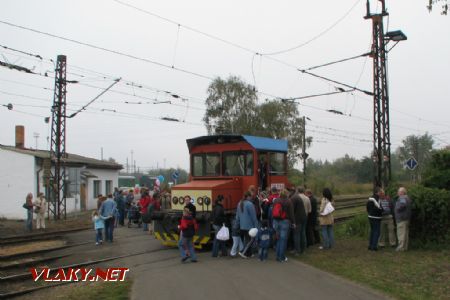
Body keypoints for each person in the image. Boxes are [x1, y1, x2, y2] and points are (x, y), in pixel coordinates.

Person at [272, 189, 295, 262]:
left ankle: (277, 256)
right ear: (286, 194)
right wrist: (293, 222)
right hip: (285, 221)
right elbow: (291, 213)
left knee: (278, 239)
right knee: (283, 240)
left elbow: (273, 210)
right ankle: (281, 257)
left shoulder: (276, 200)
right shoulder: (288, 201)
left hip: (276, 221)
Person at [235, 191, 259, 258]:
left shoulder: (239, 203)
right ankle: (244, 252)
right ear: (248, 196)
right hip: (250, 226)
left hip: (242, 225)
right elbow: (253, 216)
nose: (251, 198)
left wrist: (237, 224)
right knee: (251, 240)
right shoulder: (250, 204)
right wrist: (256, 226)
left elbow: (237, 216)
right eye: (251, 196)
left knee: (247, 239)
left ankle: (249, 253)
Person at [290, 187, 306, 256]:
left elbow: (292, 211)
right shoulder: (297, 197)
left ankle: (297, 250)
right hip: (303, 218)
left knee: (296, 235)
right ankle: (302, 249)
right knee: (302, 234)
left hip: (297, 219)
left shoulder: (293, 198)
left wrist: (292, 221)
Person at [395, 187, 412, 252]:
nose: (397, 193)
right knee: (405, 234)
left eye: (398, 191)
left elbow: (402, 205)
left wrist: (397, 208)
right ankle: (405, 247)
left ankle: (400, 248)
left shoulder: (402, 198)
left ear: (402, 192)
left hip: (401, 219)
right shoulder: (407, 197)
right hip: (406, 219)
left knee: (401, 234)